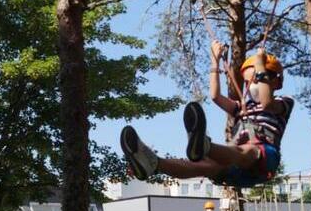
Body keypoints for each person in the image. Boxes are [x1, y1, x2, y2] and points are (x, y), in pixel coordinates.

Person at [121, 44, 293, 189]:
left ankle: (205, 146)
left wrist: (260, 65)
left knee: (247, 151)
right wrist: (214, 61)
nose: (252, 85)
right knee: (203, 166)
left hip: (263, 159)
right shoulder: (242, 107)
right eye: (249, 82)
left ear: (276, 82)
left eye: (257, 79)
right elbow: (215, 96)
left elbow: (267, 102)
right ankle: (154, 164)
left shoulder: (283, 102)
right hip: (235, 165)